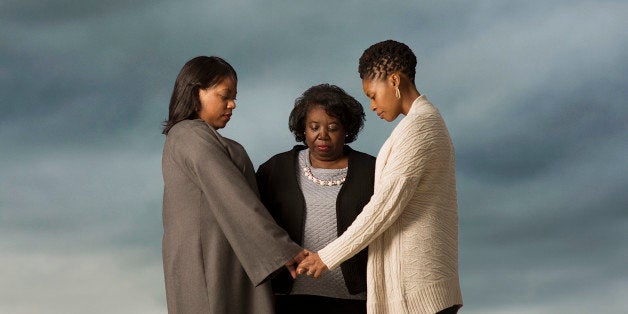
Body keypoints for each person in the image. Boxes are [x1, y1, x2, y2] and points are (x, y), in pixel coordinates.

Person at [297, 40, 463, 313]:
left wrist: (326, 257)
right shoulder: (421, 123)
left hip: (419, 290)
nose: (372, 105)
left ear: (395, 81)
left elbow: (384, 207)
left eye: (373, 94)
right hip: (420, 289)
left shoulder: (420, 129)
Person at [161, 56, 306, 314]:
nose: (232, 104)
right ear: (197, 92)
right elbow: (233, 195)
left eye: (234, 96)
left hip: (226, 255)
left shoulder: (197, 137)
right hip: (210, 261)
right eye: (225, 95)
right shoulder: (189, 134)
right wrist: (283, 249)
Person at [256, 84, 375, 314]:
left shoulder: (372, 170)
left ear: (347, 130)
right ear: (303, 129)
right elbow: (256, 224)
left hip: (357, 299)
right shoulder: (276, 169)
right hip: (289, 297)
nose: (322, 135)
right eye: (314, 127)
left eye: (333, 127)